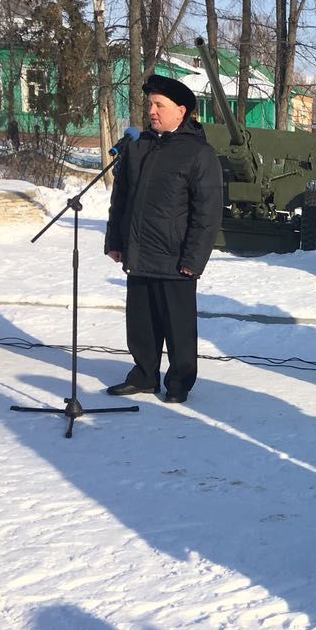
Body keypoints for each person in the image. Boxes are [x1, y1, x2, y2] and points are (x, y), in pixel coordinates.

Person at [104, 74, 223, 404]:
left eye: (159, 105)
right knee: (141, 322)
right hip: (139, 253)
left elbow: (207, 213)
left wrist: (193, 259)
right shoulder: (138, 147)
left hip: (175, 259)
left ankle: (179, 382)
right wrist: (115, 241)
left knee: (178, 326)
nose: (152, 111)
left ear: (180, 110)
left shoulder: (198, 154)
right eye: (150, 105)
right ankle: (143, 374)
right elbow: (121, 200)